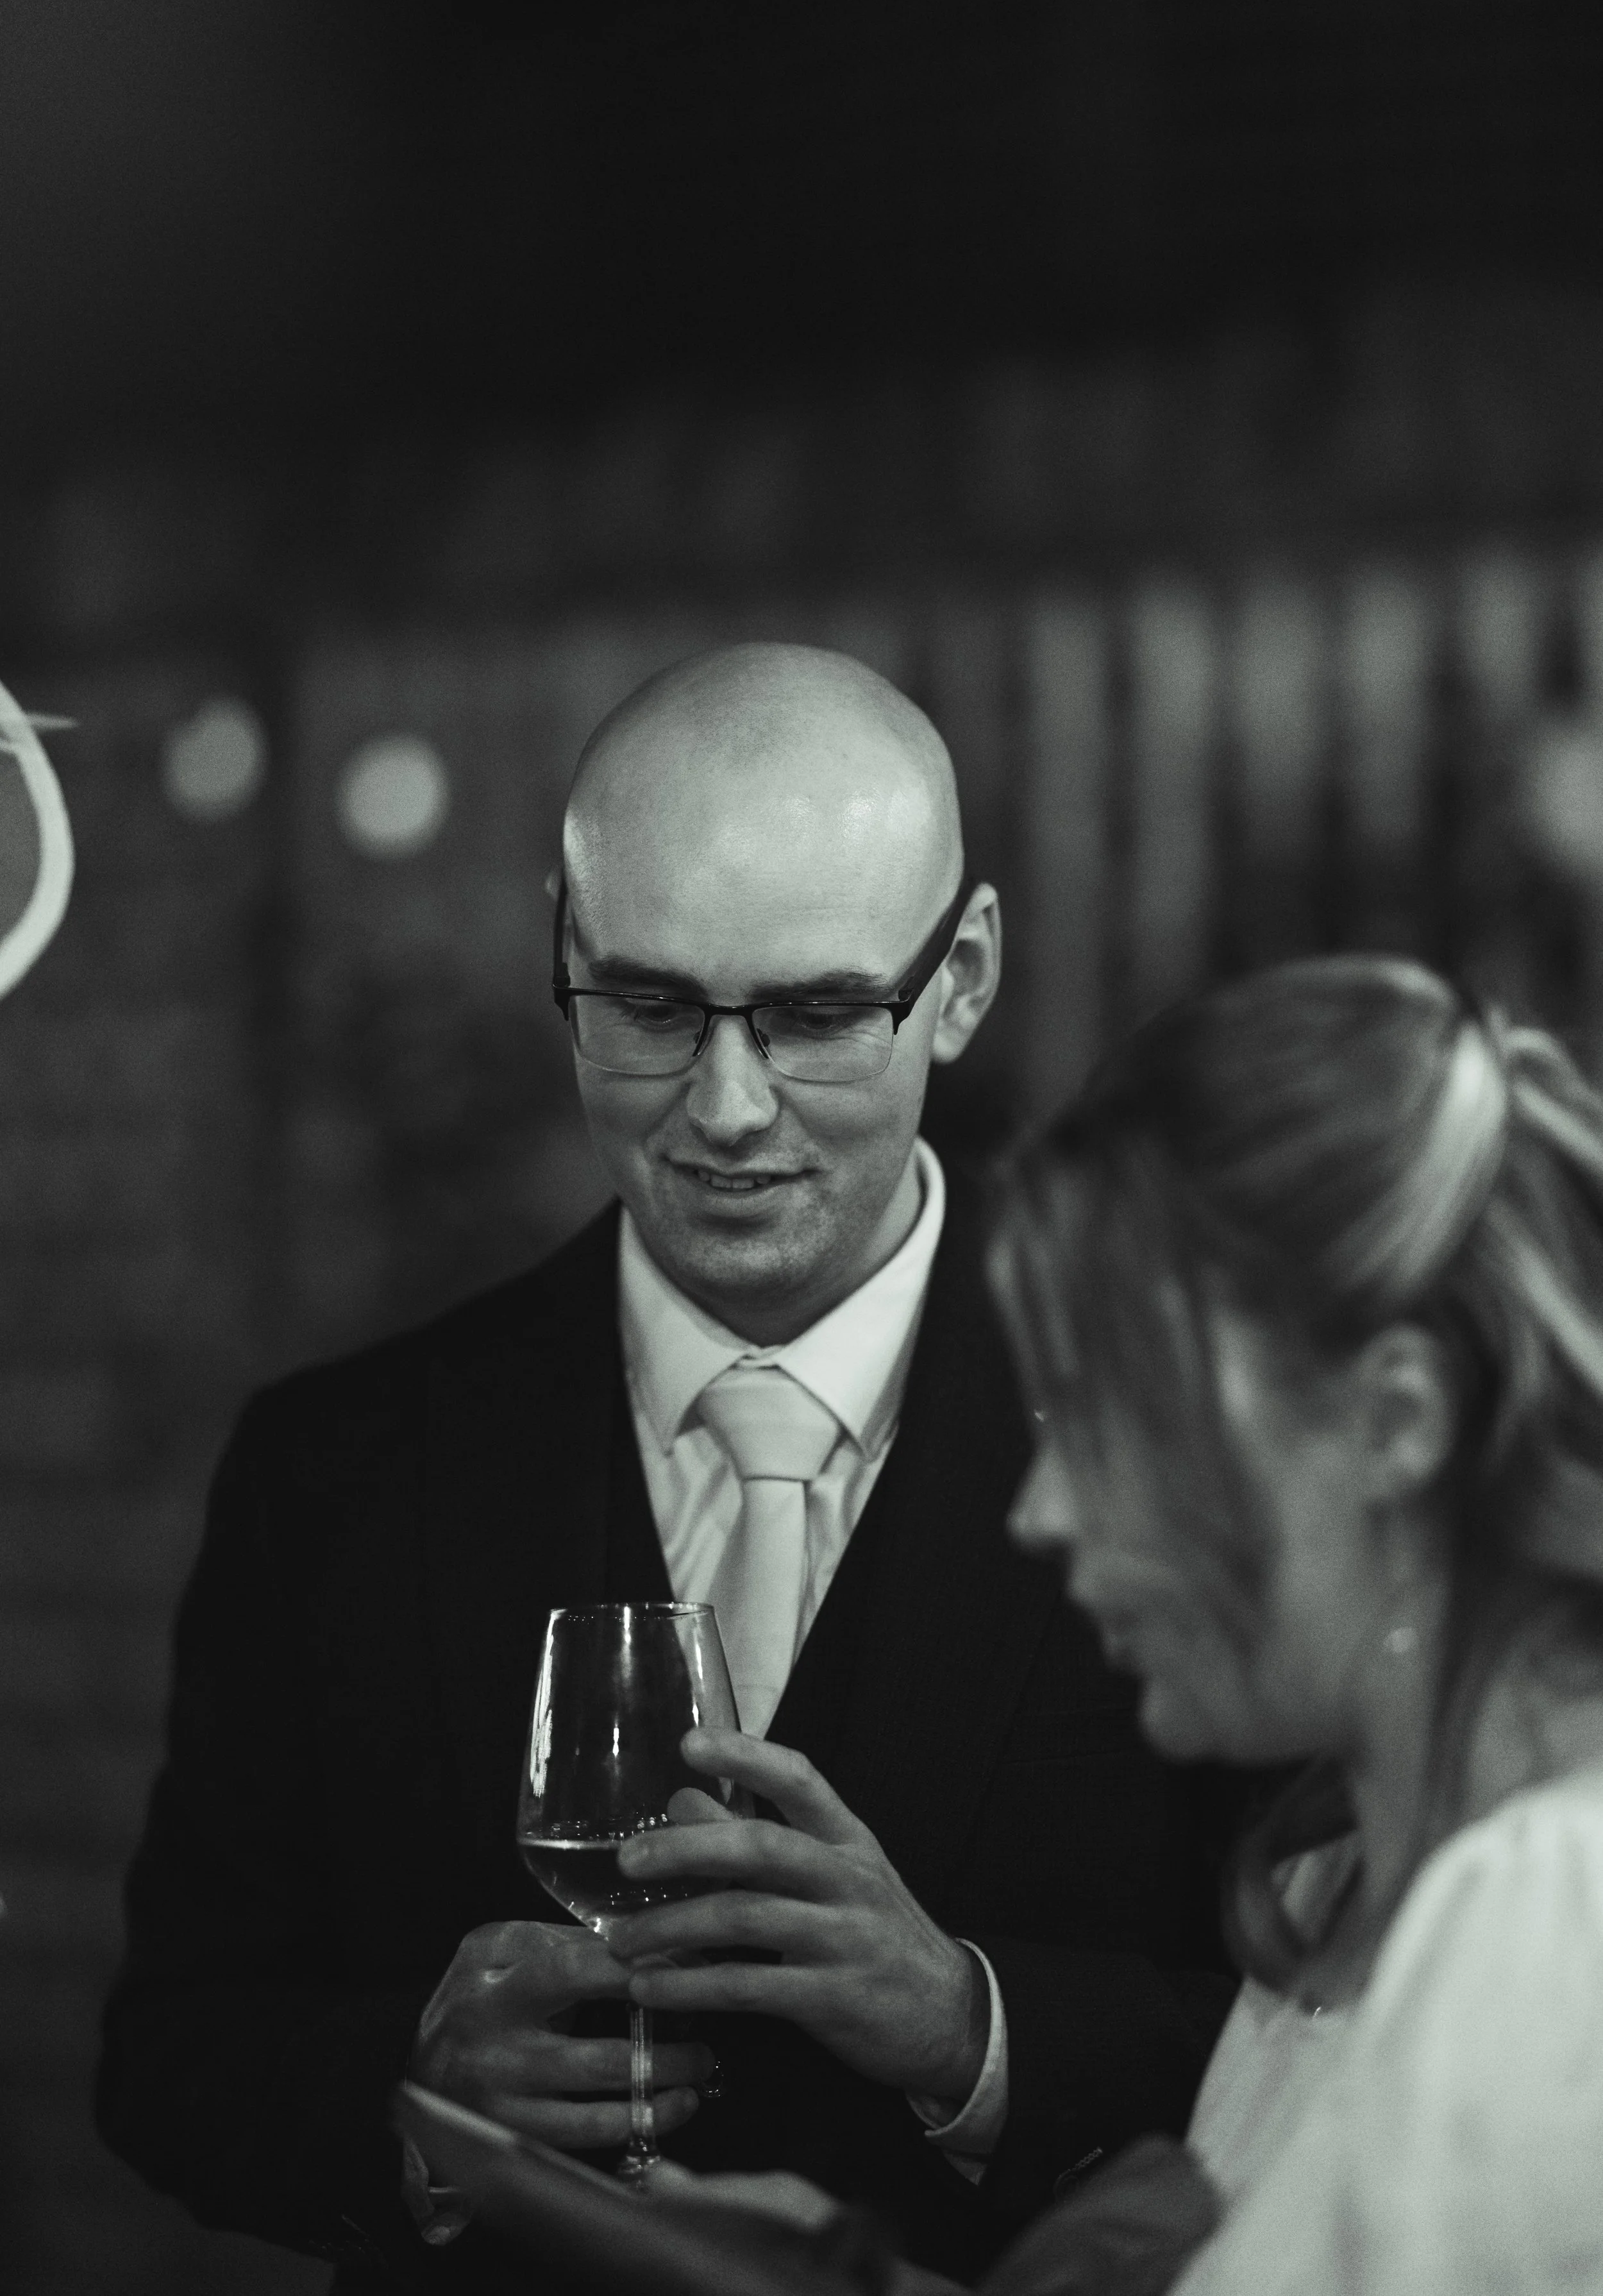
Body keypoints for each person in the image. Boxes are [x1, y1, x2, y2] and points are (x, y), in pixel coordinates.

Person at [96, 643, 1239, 2290]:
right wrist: (411, 2097)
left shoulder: (1191, 1437)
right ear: (564, 954)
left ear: (965, 974)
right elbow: (172, 2056)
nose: (723, 1105)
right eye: (644, 1004)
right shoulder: (332, 1468)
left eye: (819, 1014)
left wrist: (970, 2031)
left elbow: (1350, 2047)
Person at [648, 951, 1603, 2294]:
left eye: (1114, 1420)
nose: (1039, 1509)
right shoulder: (1333, 1884)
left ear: (1393, 1423)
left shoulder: (1550, 1920)